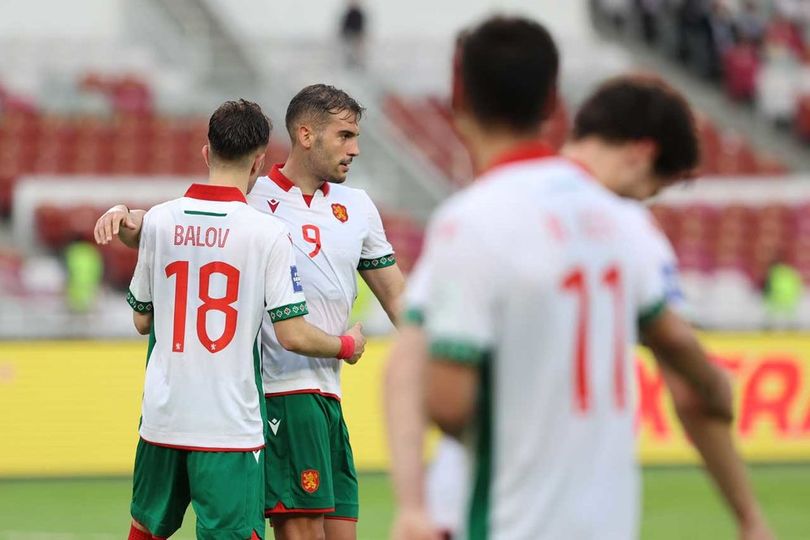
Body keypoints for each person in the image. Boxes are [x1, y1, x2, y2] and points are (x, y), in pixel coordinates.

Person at [385, 16, 774, 540]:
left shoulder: (473, 220)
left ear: (459, 102)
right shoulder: (625, 223)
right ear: (553, 102)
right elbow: (684, 366)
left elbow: (425, 383)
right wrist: (748, 509)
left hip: (496, 514)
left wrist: (412, 503)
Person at [96, 85, 405, 540]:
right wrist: (127, 216)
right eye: (344, 136)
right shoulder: (254, 201)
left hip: (327, 394)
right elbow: (178, 222)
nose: (354, 149)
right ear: (305, 134)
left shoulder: (358, 207)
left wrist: (436, 351)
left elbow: (397, 295)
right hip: (275, 394)